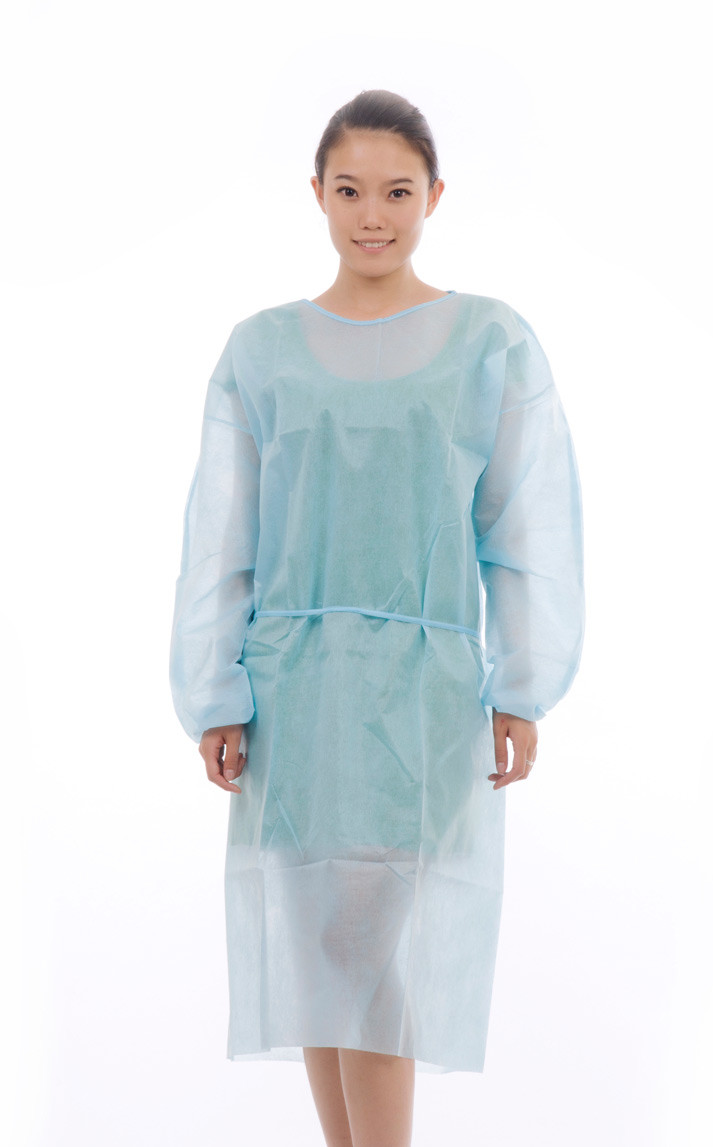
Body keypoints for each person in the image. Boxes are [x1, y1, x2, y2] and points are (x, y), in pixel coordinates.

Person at [169, 89, 585, 1147]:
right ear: (316, 192)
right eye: (350, 190)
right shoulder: (261, 351)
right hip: (294, 691)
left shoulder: (488, 342)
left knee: (370, 946)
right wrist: (216, 691)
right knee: (321, 950)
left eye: (398, 192)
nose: (372, 216)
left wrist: (522, 684)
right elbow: (225, 535)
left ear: (435, 197)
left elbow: (525, 524)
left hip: (422, 693)